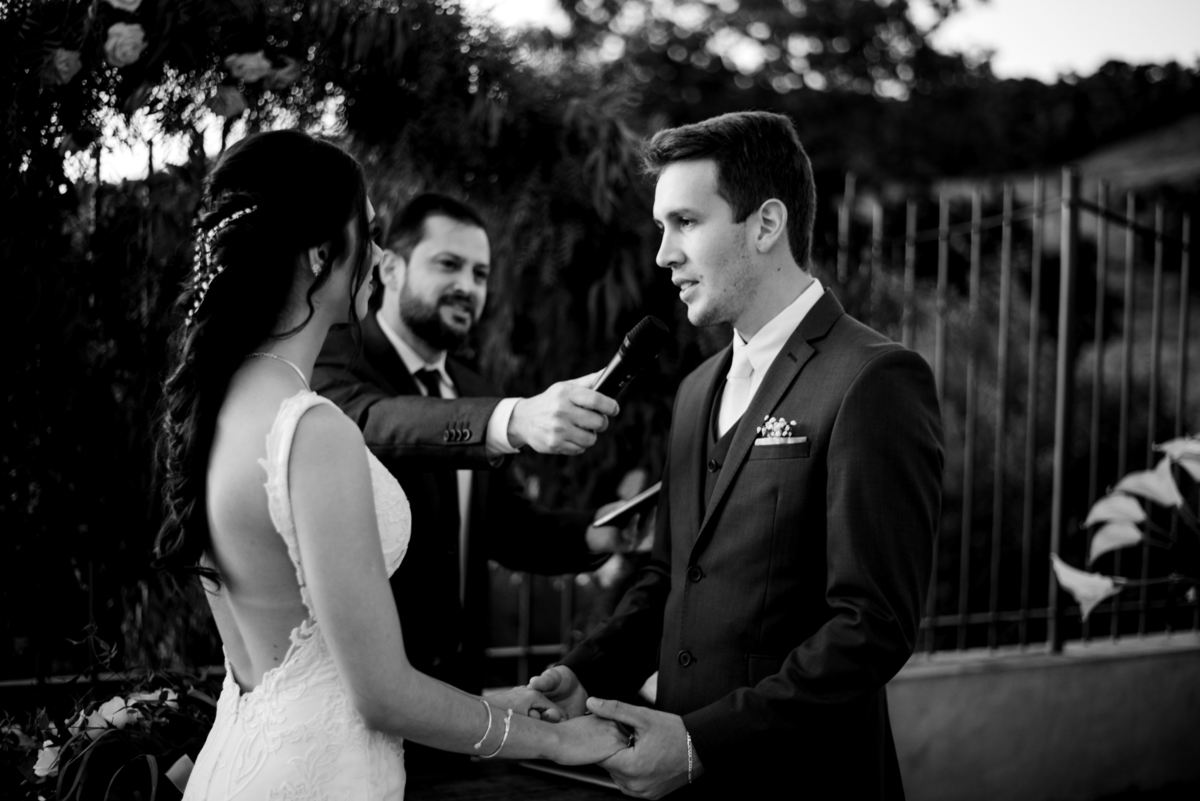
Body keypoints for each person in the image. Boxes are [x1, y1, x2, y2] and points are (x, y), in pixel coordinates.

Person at [154, 130, 626, 800]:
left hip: (244, 765)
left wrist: (496, 702)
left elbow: (301, 673)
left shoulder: (214, 407)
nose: (377, 255)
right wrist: (557, 740)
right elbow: (380, 696)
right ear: (321, 254)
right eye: (369, 234)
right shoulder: (314, 425)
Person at [529, 111, 944, 799]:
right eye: (661, 227)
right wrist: (587, 673)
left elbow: (872, 627)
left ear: (766, 223)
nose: (663, 254)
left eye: (686, 222)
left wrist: (704, 742)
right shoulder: (696, 391)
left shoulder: (874, 379)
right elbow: (669, 576)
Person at [313, 194, 620, 703]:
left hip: (459, 691)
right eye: (448, 265)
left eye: (480, 274)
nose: (468, 287)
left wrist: (597, 532)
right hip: (358, 695)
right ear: (390, 269)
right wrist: (515, 418)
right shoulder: (335, 355)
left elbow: (508, 528)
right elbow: (372, 422)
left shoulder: (474, 387)